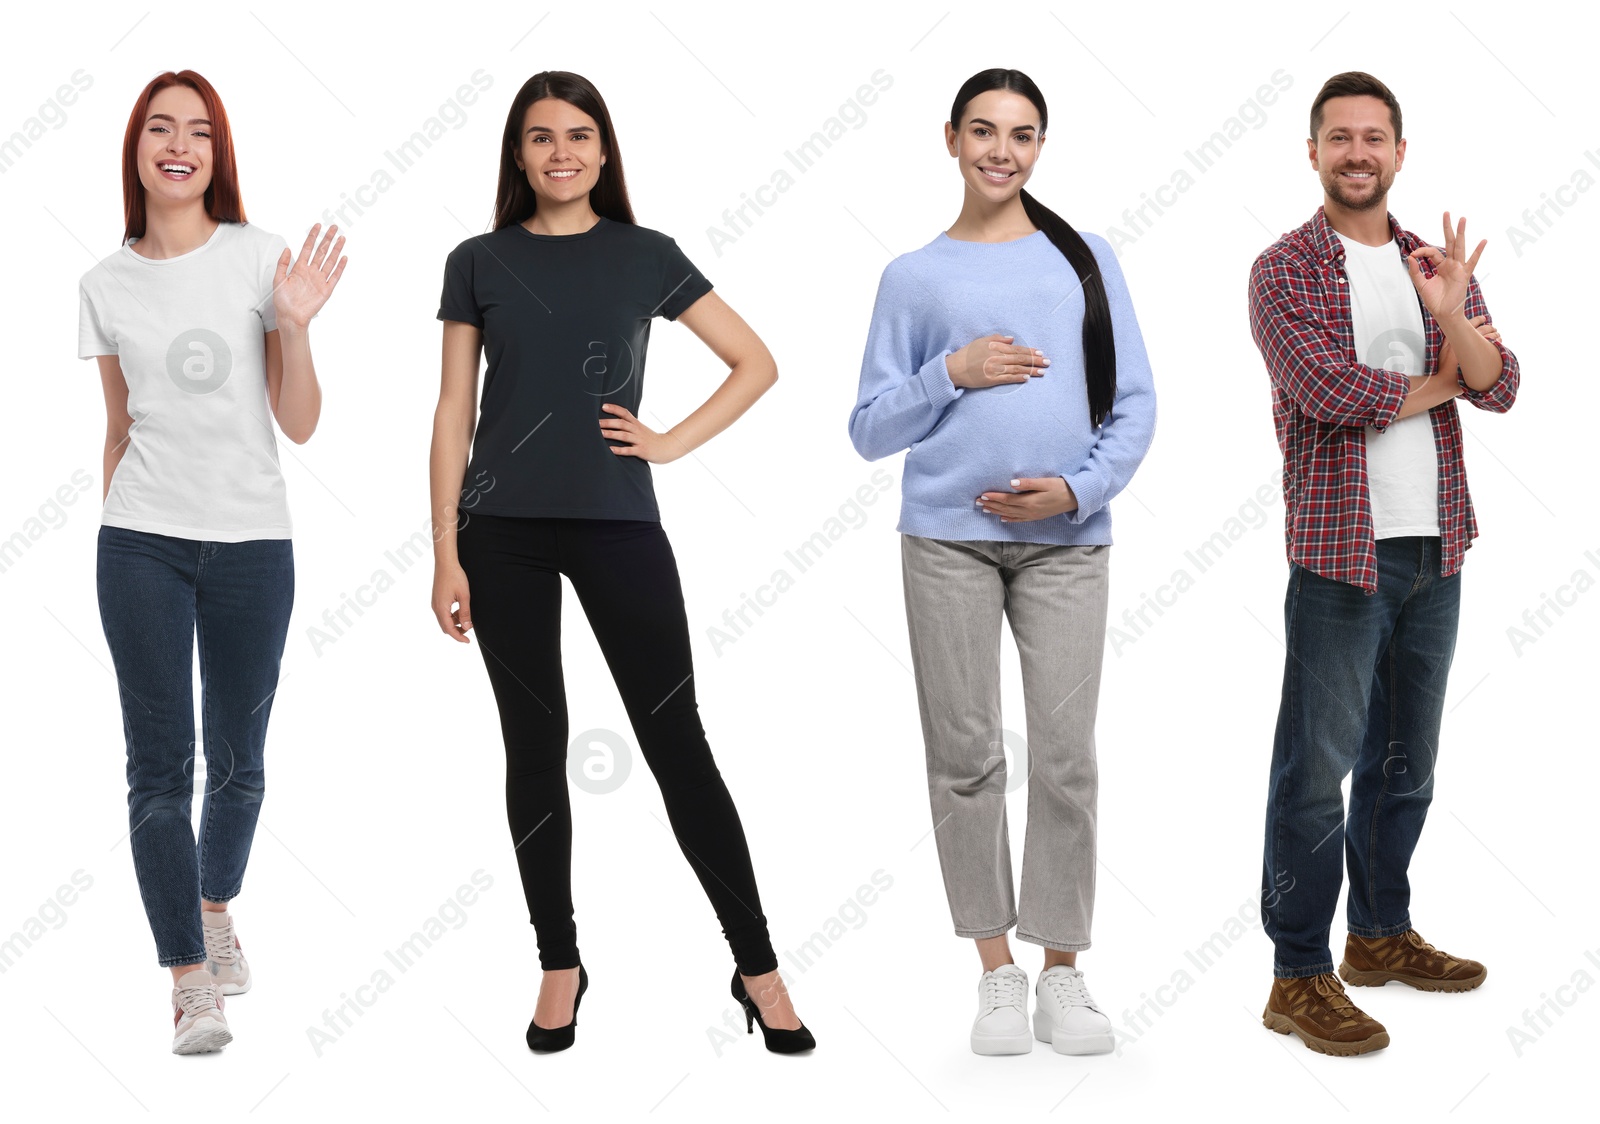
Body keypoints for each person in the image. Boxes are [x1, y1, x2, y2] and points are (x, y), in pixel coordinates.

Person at [429, 70, 813, 1055]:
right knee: (534, 742)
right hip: (498, 531)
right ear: (518, 154)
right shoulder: (478, 259)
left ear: (604, 152)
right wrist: (442, 549)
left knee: (674, 739)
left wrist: (671, 441)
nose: (561, 151)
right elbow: (452, 411)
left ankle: (757, 963)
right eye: (541, 136)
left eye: (579, 135)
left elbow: (756, 360)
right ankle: (559, 961)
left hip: (615, 521)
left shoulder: (646, 255)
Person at [849, 68, 1156, 1057]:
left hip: (1068, 542)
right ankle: (994, 971)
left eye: (1021, 134)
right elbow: (865, 428)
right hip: (945, 540)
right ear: (950, 139)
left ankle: (1062, 968)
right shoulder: (914, 276)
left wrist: (1077, 489)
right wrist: (954, 370)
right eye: (982, 131)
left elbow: (1136, 403)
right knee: (966, 756)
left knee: (1066, 758)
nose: (1001, 151)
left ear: (1040, 146)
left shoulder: (1085, 259)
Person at [1248, 71, 1518, 1057]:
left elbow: (1499, 384)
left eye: (1374, 138)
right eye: (1339, 138)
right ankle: (1295, 974)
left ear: (1399, 152)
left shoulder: (1431, 262)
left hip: (1435, 545)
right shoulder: (1281, 268)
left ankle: (1376, 935)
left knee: (1404, 766)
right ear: (1313, 153)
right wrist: (1441, 377)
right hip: (1337, 553)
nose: (1357, 152)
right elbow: (1324, 390)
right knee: (1314, 774)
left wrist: (1450, 316)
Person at [80, 70, 345, 1054]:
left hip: (251, 543)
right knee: (160, 768)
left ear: (216, 152)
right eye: (160, 127)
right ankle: (191, 981)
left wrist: (299, 326)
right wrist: (114, 532)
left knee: (237, 764)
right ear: (137, 149)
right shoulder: (104, 284)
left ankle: (214, 902)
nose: (178, 144)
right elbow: (117, 426)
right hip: (140, 542)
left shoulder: (260, 260)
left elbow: (302, 422)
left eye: (198, 130)